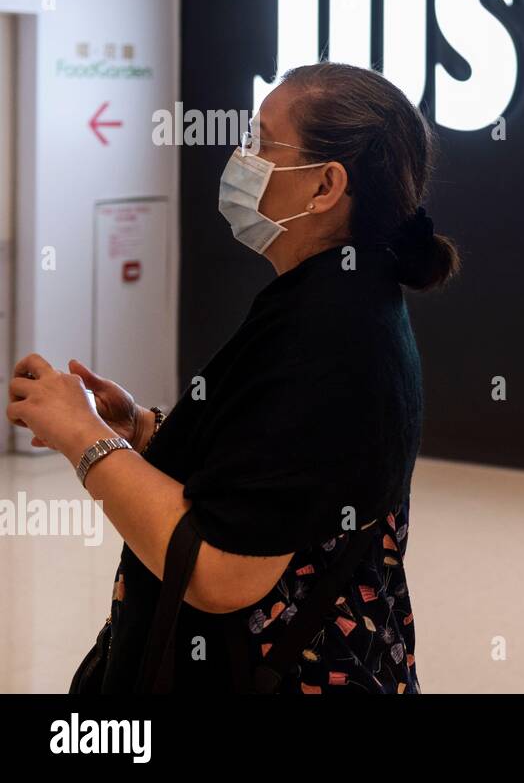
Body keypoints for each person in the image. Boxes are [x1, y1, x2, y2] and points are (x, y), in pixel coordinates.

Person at [8, 61, 458, 693]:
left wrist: (85, 438)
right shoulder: (340, 298)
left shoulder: (328, 333)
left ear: (325, 185)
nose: (241, 158)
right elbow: (276, 463)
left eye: (261, 141)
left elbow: (222, 572)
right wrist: (140, 429)